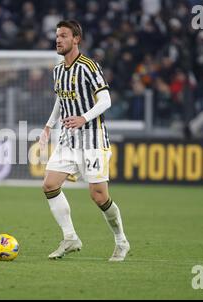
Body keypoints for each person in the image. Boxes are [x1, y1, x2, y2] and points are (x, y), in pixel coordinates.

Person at [39, 20, 130, 262]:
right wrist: (48, 126)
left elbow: (106, 100)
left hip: (93, 139)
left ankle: (121, 241)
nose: (58, 40)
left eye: (64, 35)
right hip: (69, 140)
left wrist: (83, 117)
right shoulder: (58, 69)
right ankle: (70, 238)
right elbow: (61, 100)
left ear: (76, 39)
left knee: (99, 196)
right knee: (49, 184)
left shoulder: (89, 66)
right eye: (57, 36)